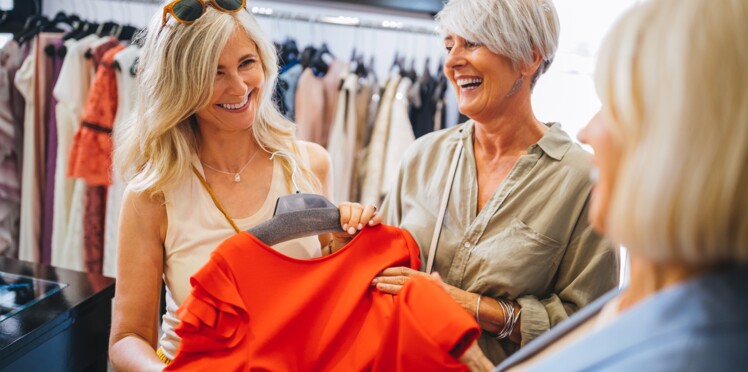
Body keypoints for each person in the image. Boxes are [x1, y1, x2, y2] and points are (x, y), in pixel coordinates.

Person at [458, 0, 748, 370]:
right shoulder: (658, 303)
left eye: (615, 106)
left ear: (685, 141)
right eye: (451, 44)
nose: (587, 131)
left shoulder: (691, 352)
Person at [108, 1, 379, 369]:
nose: (238, 86)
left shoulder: (310, 164)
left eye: (246, 63)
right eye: (214, 73)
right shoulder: (152, 195)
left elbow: (330, 302)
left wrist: (345, 247)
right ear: (181, 83)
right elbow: (128, 338)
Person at [374, 0, 619, 365]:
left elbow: (590, 325)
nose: (452, 61)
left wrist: (473, 307)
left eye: (472, 43)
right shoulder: (423, 157)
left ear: (529, 58)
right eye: (448, 46)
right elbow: (385, 275)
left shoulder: (582, 180)